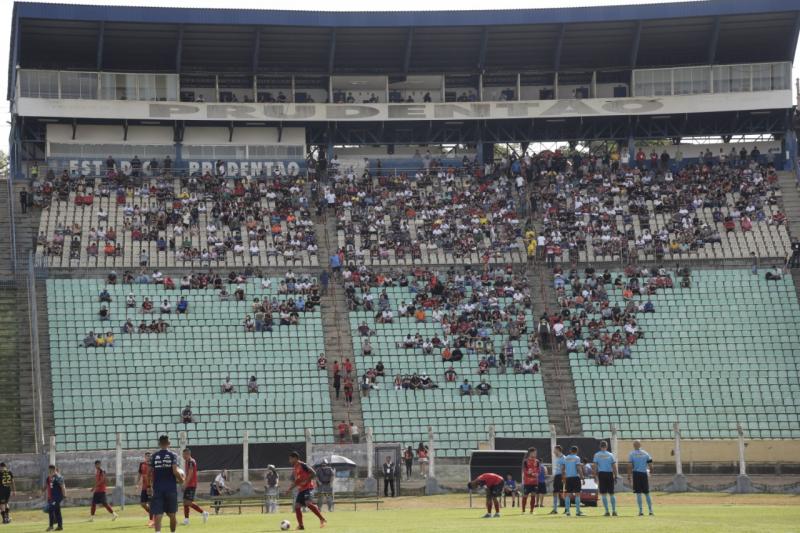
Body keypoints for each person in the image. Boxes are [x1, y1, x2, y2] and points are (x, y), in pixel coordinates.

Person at [149, 435, 184, 533]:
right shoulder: (173, 455)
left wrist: (149, 486)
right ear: (169, 443)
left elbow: (149, 473)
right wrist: (182, 481)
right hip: (170, 489)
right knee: (172, 514)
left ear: (159, 443)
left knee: (158, 514)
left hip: (158, 488)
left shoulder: (154, 456)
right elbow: (175, 471)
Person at [287, 451, 327, 530]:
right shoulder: (295, 468)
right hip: (301, 489)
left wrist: (307, 480)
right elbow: (297, 481)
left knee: (308, 503)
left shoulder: (303, 465)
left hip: (308, 488)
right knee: (297, 506)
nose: (289, 461)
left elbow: (314, 473)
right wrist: (289, 489)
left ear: (295, 458)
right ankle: (301, 525)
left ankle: (322, 519)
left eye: (290, 459)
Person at [181, 448, 208, 525]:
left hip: (191, 485)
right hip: (189, 484)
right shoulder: (187, 462)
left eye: (184, 455)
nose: (183, 456)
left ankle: (204, 513)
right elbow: (187, 474)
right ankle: (186, 520)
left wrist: (185, 484)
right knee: (185, 502)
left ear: (188, 454)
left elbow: (190, 474)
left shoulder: (191, 462)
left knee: (188, 502)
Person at [592, 440, 618, 516]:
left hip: (602, 474)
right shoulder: (610, 455)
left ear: (600, 446)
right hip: (609, 474)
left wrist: (594, 475)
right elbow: (614, 466)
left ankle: (607, 511)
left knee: (603, 494)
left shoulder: (597, 455)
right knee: (612, 493)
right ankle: (614, 511)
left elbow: (595, 466)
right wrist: (616, 476)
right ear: (606, 446)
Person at [628, 440, 654, 516]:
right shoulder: (646, 453)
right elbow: (651, 465)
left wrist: (629, 476)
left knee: (638, 493)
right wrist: (651, 472)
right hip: (644, 474)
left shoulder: (631, 454)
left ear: (634, 446)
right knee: (647, 493)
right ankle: (651, 511)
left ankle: (640, 511)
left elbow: (629, 466)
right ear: (640, 445)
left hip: (636, 474)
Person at [562, 446, 584, 517]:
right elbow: (578, 468)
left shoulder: (566, 458)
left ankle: (567, 511)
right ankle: (578, 511)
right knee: (577, 494)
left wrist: (564, 478)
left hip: (568, 478)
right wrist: (582, 477)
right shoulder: (577, 458)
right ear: (577, 451)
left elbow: (563, 469)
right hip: (575, 477)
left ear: (570, 451)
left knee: (568, 494)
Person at [44, 464, 65, 532]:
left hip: (57, 497)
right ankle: (60, 526)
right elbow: (47, 487)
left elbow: (62, 486)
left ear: (53, 469)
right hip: (51, 498)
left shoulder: (58, 477)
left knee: (50, 510)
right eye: (49, 470)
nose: (49, 471)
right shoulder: (48, 478)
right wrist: (46, 496)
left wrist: (64, 495)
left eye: (50, 470)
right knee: (57, 511)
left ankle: (51, 526)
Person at [137, 452, 154, 527]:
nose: (148, 457)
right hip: (144, 486)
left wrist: (151, 487)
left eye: (150, 456)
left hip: (150, 487)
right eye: (147, 456)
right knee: (143, 504)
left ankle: (151, 520)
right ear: (145, 457)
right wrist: (137, 483)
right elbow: (139, 474)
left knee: (151, 504)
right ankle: (153, 516)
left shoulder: (153, 465)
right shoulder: (142, 464)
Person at [521, 447, 540, 514]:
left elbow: (538, 470)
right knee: (525, 495)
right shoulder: (526, 461)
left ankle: (531, 510)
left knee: (533, 495)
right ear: (530, 453)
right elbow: (525, 470)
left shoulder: (537, 461)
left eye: (535, 453)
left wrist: (536, 474)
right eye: (534, 453)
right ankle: (523, 510)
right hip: (527, 482)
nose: (535, 454)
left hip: (535, 482)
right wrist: (529, 473)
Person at [549, 445, 565, 515]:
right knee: (555, 492)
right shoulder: (556, 458)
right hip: (557, 476)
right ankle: (555, 509)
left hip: (561, 476)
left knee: (562, 493)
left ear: (558, 450)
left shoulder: (564, 458)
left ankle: (566, 509)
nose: (553, 451)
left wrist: (563, 478)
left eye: (554, 450)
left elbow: (564, 469)